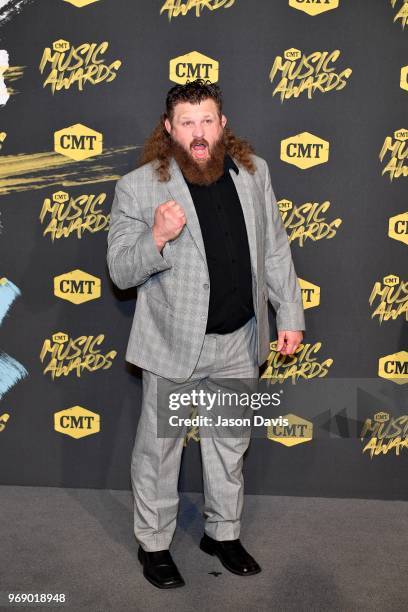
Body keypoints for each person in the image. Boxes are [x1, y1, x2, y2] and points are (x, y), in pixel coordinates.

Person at [106, 79, 305, 589]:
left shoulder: (254, 174)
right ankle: (153, 545)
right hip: (175, 346)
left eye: (207, 121)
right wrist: (156, 236)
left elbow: (276, 249)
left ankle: (223, 532)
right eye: (187, 122)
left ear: (223, 125)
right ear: (169, 129)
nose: (199, 133)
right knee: (160, 450)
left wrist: (290, 315)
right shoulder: (139, 187)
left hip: (239, 340)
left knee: (229, 445)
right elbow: (122, 272)